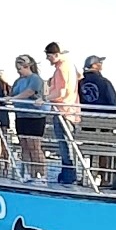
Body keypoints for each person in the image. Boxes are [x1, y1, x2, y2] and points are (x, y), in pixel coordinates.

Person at [41, 42, 81, 185]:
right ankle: (69, 173)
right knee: (67, 144)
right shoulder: (70, 66)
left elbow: (61, 92)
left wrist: (45, 98)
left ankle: (68, 174)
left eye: (49, 56)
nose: (48, 59)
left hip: (63, 111)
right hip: (72, 111)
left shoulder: (61, 69)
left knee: (64, 145)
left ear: (56, 55)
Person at [9, 55, 47, 184]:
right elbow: (12, 93)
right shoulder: (18, 81)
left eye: (20, 68)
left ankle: (41, 175)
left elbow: (30, 92)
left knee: (34, 146)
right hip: (21, 116)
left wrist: (14, 99)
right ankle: (29, 173)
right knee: (24, 145)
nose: (19, 71)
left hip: (34, 117)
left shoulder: (35, 79)